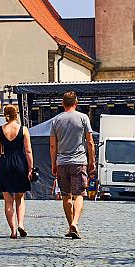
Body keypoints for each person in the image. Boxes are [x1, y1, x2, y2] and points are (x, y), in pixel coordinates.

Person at [50, 91, 96, 239]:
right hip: (79, 162)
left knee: (65, 196)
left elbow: (52, 145)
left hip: (62, 162)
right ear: (76, 103)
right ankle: (75, 223)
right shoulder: (83, 118)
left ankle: (71, 226)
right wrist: (92, 161)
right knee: (79, 195)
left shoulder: (56, 120)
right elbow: (89, 142)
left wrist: (53, 163)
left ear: (63, 104)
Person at [0, 104, 33, 239]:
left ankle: (13, 230)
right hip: (20, 163)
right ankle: (21, 224)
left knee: (8, 200)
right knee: (20, 198)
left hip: (4, 164)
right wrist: (30, 168)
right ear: (17, 115)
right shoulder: (23, 129)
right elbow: (28, 151)